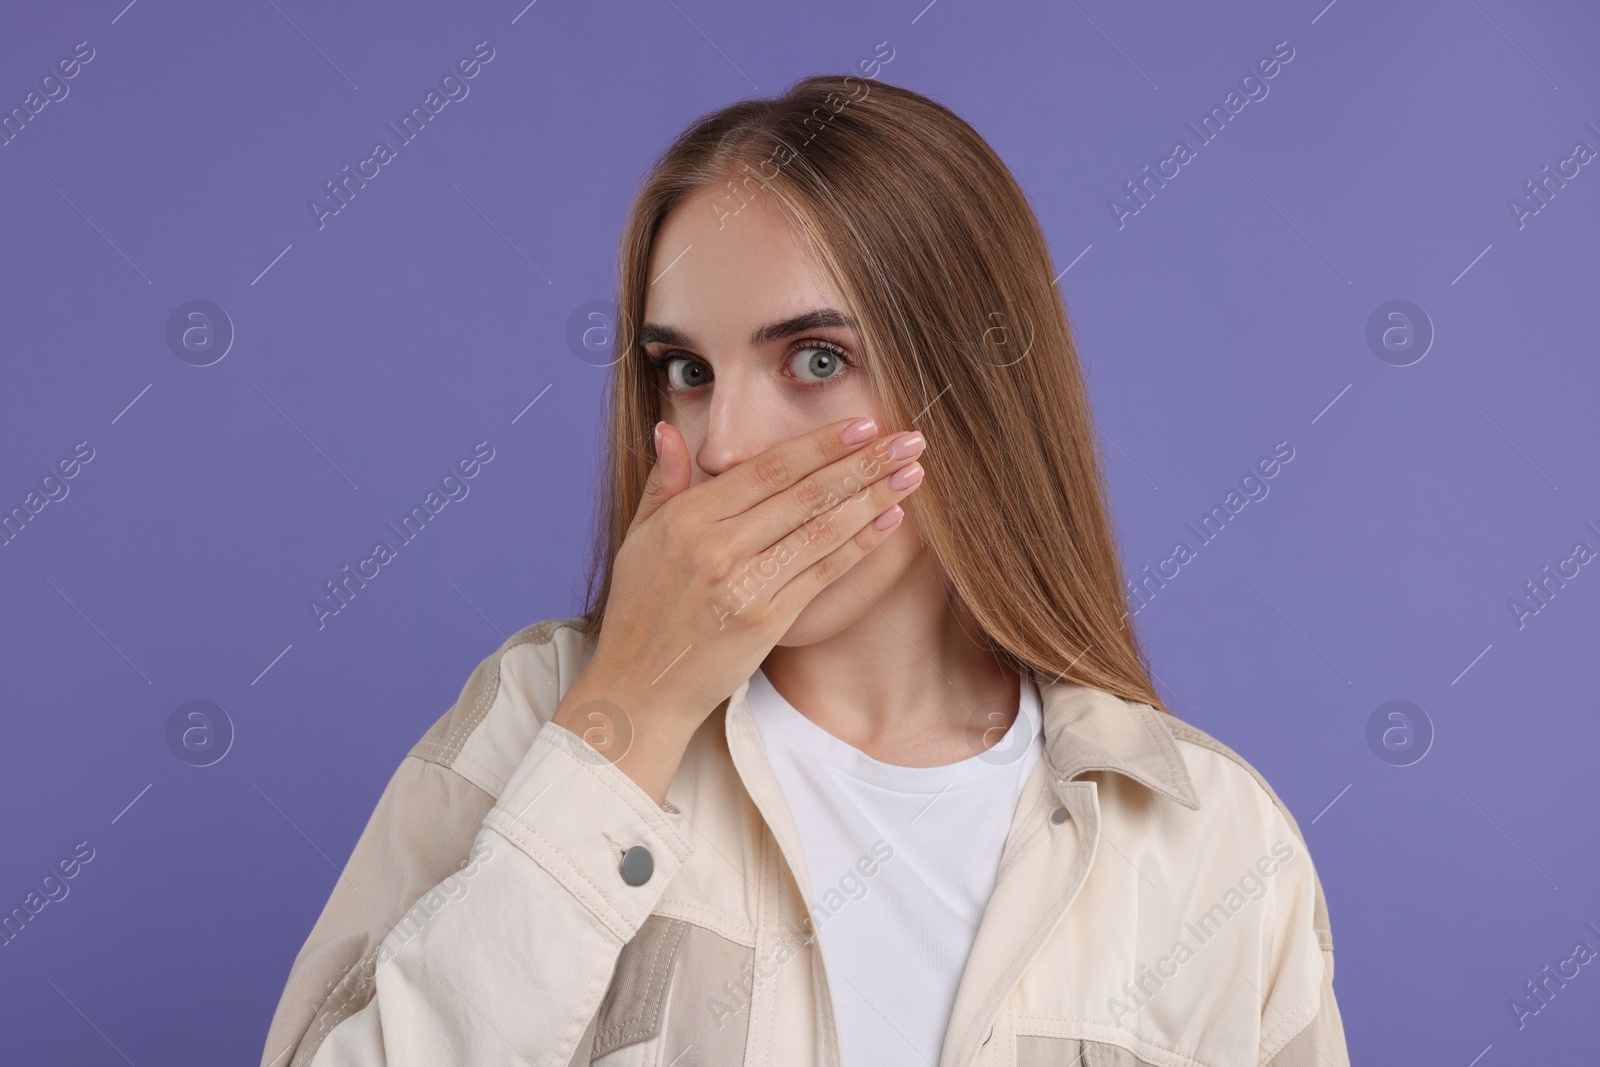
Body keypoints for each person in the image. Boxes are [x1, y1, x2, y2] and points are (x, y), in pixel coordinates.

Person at [259, 74, 1351, 1067]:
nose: (725, 441)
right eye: (683, 370)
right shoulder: (539, 715)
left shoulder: (1212, 839)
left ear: (973, 392)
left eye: (817, 359)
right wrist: (629, 713)